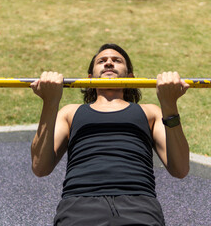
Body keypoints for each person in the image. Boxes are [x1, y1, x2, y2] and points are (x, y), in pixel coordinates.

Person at [30, 43, 190, 226]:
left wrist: (169, 105)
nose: (108, 63)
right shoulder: (70, 113)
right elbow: (39, 167)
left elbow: (181, 169)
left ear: (131, 77)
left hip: (138, 205)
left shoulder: (150, 112)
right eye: (101, 61)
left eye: (116, 60)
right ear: (89, 77)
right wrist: (50, 102)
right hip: (79, 206)